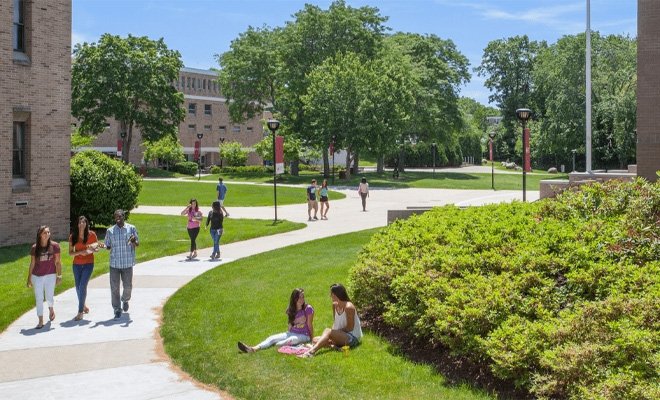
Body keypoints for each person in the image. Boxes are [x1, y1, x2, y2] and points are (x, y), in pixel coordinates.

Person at [238, 288, 314, 353]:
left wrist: (311, 339)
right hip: (291, 333)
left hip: (304, 335)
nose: (302, 299)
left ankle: (284, 345)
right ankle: (253, 349)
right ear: (294, 299)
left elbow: (310, 324)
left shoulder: (308, 309)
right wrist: (290, 331)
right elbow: (290, 326)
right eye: (299, 297)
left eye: (303, 297)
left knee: (289, 340)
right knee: (272, 338)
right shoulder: (291, 310)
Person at [299, 283, 362, 358]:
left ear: (336, 295)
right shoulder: (334, 305)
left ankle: (311, 352)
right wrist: (333, 335)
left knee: (327, 331)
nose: (330, 295)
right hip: (342, 335)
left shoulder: (349, 307)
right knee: (315, 339)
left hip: (352, 338)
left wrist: (333, 334)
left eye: (331, 293)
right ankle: (335, 347)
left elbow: (350, 328)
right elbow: (335, 322)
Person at [105, 209, 139, 319]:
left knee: (128, 286)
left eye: (119, 216)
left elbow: (137, 244)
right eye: (116, 217)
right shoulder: (110, 231)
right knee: (114, 288)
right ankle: (116, 309)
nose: (118, 218)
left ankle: (125, 300)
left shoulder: (131, 228)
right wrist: (102, 246)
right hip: (114, 264)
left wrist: (134, 241)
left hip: (127, 263)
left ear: (124, 217)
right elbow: (108, 246)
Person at [68, 216, 104, 321]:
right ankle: (83, 305)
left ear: (86, 224)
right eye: (80, 222)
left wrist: (95, 249)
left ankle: (80, 312)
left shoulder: (92, 235)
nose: (82, 224)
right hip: (76, 264)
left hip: (88, 264)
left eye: (84, 222)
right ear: (77, 224)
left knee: (82, 286)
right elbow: (70, 253)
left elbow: (96, 247)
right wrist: (80, 252)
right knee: (78, 287)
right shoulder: (73, 236)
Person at [27, 226, 62, 329]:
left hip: (50, 275)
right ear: (40, 235)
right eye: (44, 233)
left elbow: (58, 262)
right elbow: (32, 263)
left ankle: (51, 309)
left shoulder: (55, 246)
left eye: (48, 232)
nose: (47, 234)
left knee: (49, 296)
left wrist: (59, 275)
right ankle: (40, 320)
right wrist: (29, 278)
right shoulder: (34, 248)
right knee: (39, 298)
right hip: (37, 276)